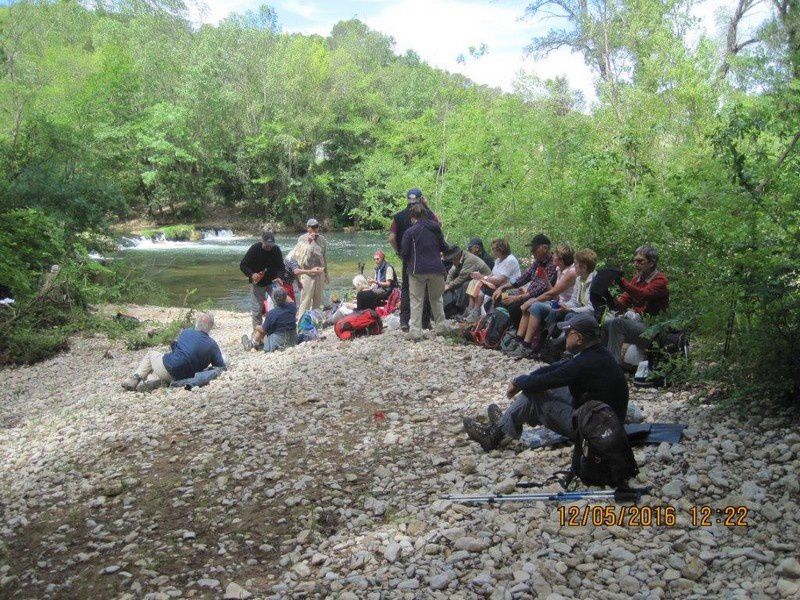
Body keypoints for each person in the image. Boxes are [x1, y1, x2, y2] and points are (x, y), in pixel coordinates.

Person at [462, 313, 629, 452]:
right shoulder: (597, 354)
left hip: (596, 430)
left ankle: (495, 435)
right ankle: (505, 424)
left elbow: (548, 380)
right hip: (601, 420)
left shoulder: (585, 363)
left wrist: (520, 383)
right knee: (540, 386)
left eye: (568, 333)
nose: (564, 338)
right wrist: (520, 380)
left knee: (535, 397)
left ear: (578, 338)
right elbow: (556, 368)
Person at [122, 312, 226, 392]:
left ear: (197, 323)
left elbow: (178, 350)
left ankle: (135, 378)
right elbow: (220, 366)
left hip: (169, 367)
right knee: (167, 366)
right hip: (183, 377)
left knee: (151, 354)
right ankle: (152, 381)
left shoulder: (187, 332)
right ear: (210, 327)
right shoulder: (213, 345)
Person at [506, 244, 578, 358]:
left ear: (561, 259)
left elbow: (552, 293)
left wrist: (532, 300)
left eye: (555, 255)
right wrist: (545, 279)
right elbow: (554, 292)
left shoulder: (571, 272)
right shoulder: (560, 269)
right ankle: (518, 340)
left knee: (534, 306)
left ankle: (527, 345)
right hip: (557, 300)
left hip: (566, 305)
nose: (553, 256)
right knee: (528, 306)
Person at [603, 245, 670, 366]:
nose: (636, 264)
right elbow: (623, 303)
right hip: (638, 325)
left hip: (653, 330)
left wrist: (621, 282)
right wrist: (607, 296)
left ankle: (612, 368)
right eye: (635, 261)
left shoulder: (660, 280)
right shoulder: (636, 280)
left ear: (651, 263)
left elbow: (642, 295)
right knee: (604, 323)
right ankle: (600, 362)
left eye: (640, 261)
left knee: (618, 324)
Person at [389, 188, 438, 332]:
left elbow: (391, 238)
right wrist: (427, 206)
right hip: (426, 257)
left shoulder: (398, 217)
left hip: (407, 257)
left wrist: (399, 251)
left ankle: (404, 321)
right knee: (426, 287)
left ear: (407, 199)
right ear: (421, 199)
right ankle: (424, 321)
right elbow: (438, 226)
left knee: (406, 288)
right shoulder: (427, 214)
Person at [400, 203, 449, 335]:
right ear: (426, 214)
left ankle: (415, 332)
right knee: (437, 299)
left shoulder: (410, 232)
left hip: (417, 270)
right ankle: (441, 327)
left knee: (416, 301)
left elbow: (404, 253)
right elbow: (444, 247)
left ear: (412, 217)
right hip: (437, 269)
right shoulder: (436, 228)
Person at [491, 234, 557, 328]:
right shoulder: (538, 262)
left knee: (514, 307)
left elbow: (541, 289)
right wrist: (502, 287)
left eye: (534, 249)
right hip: (528, 294)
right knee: (501, 298)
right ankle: (498, 330)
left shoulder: (553, 263)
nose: (532, 252)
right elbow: (524, 278)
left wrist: (517, 298)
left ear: (545, 248)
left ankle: (515, 332)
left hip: (542, 298)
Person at [462, 238, 522, 323]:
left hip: (508, 290)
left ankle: (476, 312)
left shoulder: (510, 260)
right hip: (497, 287)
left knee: (480, 284)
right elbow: (492, 275)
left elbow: (500, 280)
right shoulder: (498, 260)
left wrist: (482, 277)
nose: (492, 250)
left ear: (501, 249)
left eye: (494, 248)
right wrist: (479, 276)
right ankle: (470, 310)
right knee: (473, 282)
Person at [239, 230, 286, 332]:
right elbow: (243, 265)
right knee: (257, 310)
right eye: (267, 245)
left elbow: (281, 266)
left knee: (280, 304)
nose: (269, 248)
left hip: (272, 281)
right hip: (257, 283)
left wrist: (280, 277)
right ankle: (257, 335)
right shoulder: (255, 249)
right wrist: (251, 274)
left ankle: (279, 330)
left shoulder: (276, 249)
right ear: (262, 242)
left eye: (271, 245)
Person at [289, 218, 328, 315]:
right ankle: (302, 323)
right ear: (308, 228)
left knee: (318, 301)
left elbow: (324, 257)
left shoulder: (322, 240)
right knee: (305, 301)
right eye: (312, 227)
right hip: (307, 274)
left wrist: (326, 273)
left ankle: (316, 323)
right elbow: (299, 258)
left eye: (316, 227)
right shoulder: (302, 239)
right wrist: (310, 242)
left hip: (320, 273)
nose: (315, 229)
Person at [242, 287, 297, 352]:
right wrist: (283, 293)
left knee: (260, 329)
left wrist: (256, 327)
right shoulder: (292, 307)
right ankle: (254, 343)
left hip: (278, 343)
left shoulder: (272, 313)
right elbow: (291, 300)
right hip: (293, 340)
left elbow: (263, 330)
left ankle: (252, 344)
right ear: (285, 297)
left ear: (274, 299)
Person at [442, 245, 491, 318]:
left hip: (486, 282)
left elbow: (462, 278)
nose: (451, 261)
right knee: (460, 284)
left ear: (457, 255)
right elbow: (451, 272)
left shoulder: (469, 259)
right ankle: (458, 310)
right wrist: (447, 283)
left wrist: (448, 286)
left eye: (452, 258)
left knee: (465, 285)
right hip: (474, 280)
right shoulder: (459, 258)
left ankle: (460, 309)